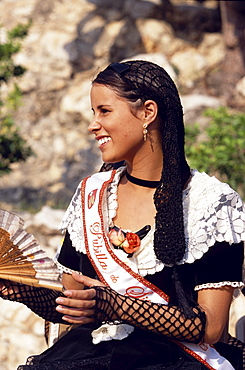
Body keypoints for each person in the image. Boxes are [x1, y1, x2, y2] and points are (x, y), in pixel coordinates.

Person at [0, 60, 244, 369]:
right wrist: (20, 290)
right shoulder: (92, 193)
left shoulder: (211, 202)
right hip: (92, 351)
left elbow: (210, 328)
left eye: (104, 111)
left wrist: (114, 304)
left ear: (147, 113)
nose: (93, 124)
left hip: (175, 358)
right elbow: (71, 300)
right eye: (93, 113)